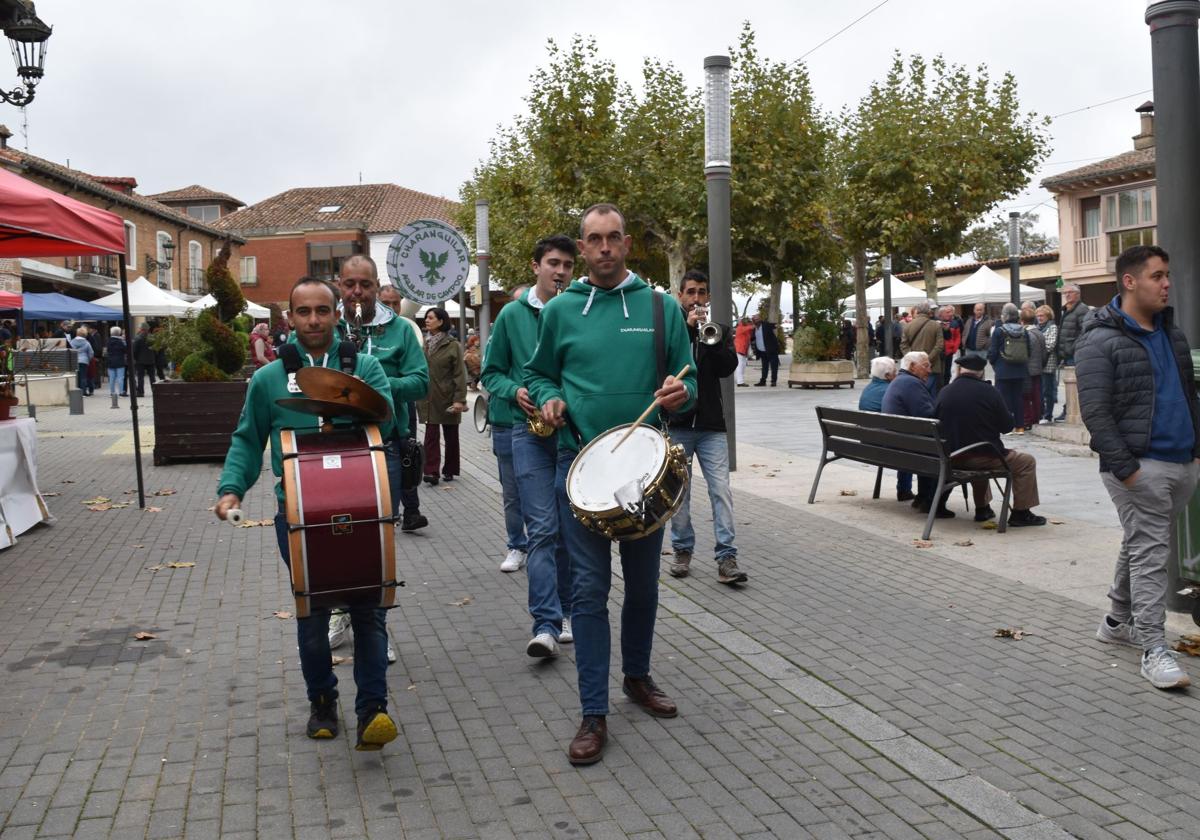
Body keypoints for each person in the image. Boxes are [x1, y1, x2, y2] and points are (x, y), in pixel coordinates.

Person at [524, 203, 697, 766]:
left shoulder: (658, 305)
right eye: (593, 239)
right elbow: (537, 372)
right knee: (589, 596)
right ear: (583, 245)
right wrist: (548, 396)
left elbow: (686, 377)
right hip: (579, 469)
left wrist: (680, 394)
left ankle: (638, 678)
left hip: (644, 474)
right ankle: (592, 712)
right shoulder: (561, 310)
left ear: (627, 244)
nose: (603, 248)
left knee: (644, 589)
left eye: (613, 238)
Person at [214, 276, 400, 750]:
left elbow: (389, 420)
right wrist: (231, 489)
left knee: (368, 610)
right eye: (304, 312)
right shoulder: (268, 379)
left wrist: (354, 400)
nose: (314, 320)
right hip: (295, 513)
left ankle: (373, 710)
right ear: (289, 318)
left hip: (362, 509)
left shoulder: (365, 366)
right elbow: (247, 439)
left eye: (323, 311)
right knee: (313, 611)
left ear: (337, 314)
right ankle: (322, 701)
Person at [1077, 244, 1200, 690]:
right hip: (1139, 468)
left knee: (1141, 542)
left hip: (1181, 462)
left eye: (1167, 275)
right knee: (1152, 553)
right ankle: (1153, 646)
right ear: (1130, 282)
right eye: (1157, 276)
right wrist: (1128, 470)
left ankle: (1115, 621)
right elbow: (1095, 411)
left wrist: (1196, 452)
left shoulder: (1173, 333)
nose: (1167, 283)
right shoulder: (1099, 339)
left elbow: (1189, 395)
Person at [327, 255, 431, 658]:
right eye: (349, 284)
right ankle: (339, 613)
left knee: (377, 537)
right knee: (334, 534)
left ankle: (373, 628)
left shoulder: (400, 329)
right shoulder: (328, 325)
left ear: (376, 286)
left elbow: (421, 383)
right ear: (340, 285)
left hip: (382, 444)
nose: (356, 292)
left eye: (364, 285)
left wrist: (373, 383)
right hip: (334, 445)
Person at [481, 234, 577, 656]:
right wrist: (514, 391)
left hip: (572, 434)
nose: (560, 271)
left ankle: (570, 611)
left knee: (570, 532)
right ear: (536, 265)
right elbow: (491, 373)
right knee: (541, 531)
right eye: (553, 263)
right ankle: (545, 624)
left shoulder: (579, 309)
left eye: (567, 265)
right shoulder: (510, 316)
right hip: (528, 432)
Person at [667, 270, 746, 584]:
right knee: (679, 493)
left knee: (721, 491)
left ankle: (726, 556)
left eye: (701, 292)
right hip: (680, 424)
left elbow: (727, 368)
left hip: (712, 425)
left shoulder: (720, 331)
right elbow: (667, 366)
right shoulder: (674, 333)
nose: (696, 298)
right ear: (681, 297)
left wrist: (708, 340)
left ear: (708, 297)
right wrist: (686, 334)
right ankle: (682, 550)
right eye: (690, 292)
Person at [934, 355, 1047, 526]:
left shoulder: (945, 391)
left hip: (950, 456)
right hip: (979, 456)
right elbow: (1007, 426)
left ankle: (983, 508)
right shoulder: (989, 392)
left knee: (981, 452)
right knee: (1025, 462)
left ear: (959, 370)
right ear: (981, 373)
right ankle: (1021, 512)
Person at [376, 283, 428, 532]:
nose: (392, 308)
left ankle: (411, 510)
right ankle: (405, 510)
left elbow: (419, 376)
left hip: (403, 402)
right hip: (381, 408)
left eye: (396, 303)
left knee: (409, 454)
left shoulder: (404, 329)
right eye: (386, 303)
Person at [882, 351, 952, 517]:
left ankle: (922, 497)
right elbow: (928, 416)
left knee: (926, 445)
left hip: (896, 444)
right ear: (913, 367)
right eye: (926, 366)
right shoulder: (911, 384)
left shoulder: (900, 380)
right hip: (907, 447)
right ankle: (930, 501)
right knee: (944, 452)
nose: (929, 370)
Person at [418, 307, 466, 484]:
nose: (427, 321)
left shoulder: (453, 345)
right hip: (428, 397)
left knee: (451, 436)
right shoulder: (423, 343)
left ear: (441, 321)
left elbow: (460, 374)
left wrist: (460, 399)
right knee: (430, 436)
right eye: (426, 318)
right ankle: (431, 472)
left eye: (431, 318)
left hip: (448, 396)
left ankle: (450, 469)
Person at [858, 355, 911, 502]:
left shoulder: (868, 389)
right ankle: (904, 490)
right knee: (912, 445)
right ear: (888, 376)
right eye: (896, 371)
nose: (898, 374)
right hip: (885, 446)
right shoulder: (891, 390)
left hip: (868, 443)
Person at [988, 303, 1031, 434]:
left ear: (1005, 316)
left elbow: (993, 351)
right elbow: (1029, 350)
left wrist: (994, 363)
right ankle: (1020, 426)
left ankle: (1006, 427)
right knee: (1018, 398)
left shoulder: (999, 331)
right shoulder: (1024, 330)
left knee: (1003, 399)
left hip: (1003, 369)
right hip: (1020, 369)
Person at [1055, 282, 1090, 420]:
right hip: (1067, 354)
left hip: (1076, 353)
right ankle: (1069, 409)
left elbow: (1084, 331)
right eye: (1065, 293)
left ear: (1077, 294)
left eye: (1070, 292)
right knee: (1070, 383)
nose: (1067, 295)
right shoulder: (1067, 309)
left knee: (1077, 384)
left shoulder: (1082, 310)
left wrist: (1072, 347)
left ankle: (1072, 410)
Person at [900, 300, 944, 397]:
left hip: (914, 367)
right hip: (933, 366)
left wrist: (913, 360)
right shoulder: (936, 325)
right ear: (929, 311)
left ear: (917, 311)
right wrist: (927, 360)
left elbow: (903, 345)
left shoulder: (908, 326)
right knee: (932, 395)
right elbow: (939, 345)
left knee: (916, 394)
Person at [1020, 308, 1046, 429]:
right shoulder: (1039, 332)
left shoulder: (1025, 333)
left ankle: (1028, 420)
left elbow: (1025, 353)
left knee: (1026, 396)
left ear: (1022, 320)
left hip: (1028, 369)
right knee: (1036, 395)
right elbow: (1044, 352)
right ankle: (1036, 417)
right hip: (1038, 368)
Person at [1035, 305, 1058, 423]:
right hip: (1038, 363)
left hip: (1048, 363)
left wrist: (1037, 348)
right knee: (1040, 390)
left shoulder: (1052, 327)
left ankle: (1048, 415)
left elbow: (1050, 345)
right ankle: (1041, 413)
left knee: (1048, 390)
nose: (1039, 318)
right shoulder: (1037, 327)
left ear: (1048, 316)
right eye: (1038, 315)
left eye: (1042, 315)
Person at [752, 312, 780, 386]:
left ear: (760, 319)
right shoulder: (754, 328)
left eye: (757, 319)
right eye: (755, 319)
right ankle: (763, 381)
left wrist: (776, 325)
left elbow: (775, 325)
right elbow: (752, 338)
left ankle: (773, 381)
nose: (756, 320)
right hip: (762, 351)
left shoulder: (766, 325)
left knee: (774, 366)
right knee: (764, 367)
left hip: (771, 350)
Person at [938, 305, 962, 388]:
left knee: (948, 371)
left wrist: (954, 348)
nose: (949, 314)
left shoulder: (954, 323)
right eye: (947, 312)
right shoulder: (937, 322)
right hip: (939, 351)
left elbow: (957, 337)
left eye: (950, 312)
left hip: (949, 351)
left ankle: (946, 386)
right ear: (941, 314)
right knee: (940, 372)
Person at [68, 327, 94, 396]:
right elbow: (91, 353)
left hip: (74, 361)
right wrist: (88, 359)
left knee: (76, 377)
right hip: (84, 361)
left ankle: (76, 391)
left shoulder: (72, 342)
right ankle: (83, 392)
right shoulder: (87, 343)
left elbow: (70, 351)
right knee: (83, 377)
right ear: (85, 334)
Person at [132, 324, 156, 396]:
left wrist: (136, 358)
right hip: (151, 360)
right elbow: (156, 349)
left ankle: (140, 392)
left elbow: (134, 350)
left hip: (140, 360)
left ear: (142, 329)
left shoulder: (138, 338)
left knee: (140, 377)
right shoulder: (153, 338)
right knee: (152, 377)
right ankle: (154, 391)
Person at [106, 326, 127, 401]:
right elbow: (125, 350)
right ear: (119, 333)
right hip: (120, 361)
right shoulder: (120, 342)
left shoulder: (108, 341)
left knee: (112, 378)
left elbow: (107, 350)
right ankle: (121, 392)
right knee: (120, 378)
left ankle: (112, 392)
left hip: (110, 361)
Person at [733, 317, 753, 387]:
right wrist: (753, 325)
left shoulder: (744, 328)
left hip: (743, 349)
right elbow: (750, 328)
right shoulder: (741, 328)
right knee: (740, 366)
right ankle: (740, 382)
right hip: (739, 349)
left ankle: (737, 380)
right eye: (749, 322)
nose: (750, 323)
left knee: (742, 366)